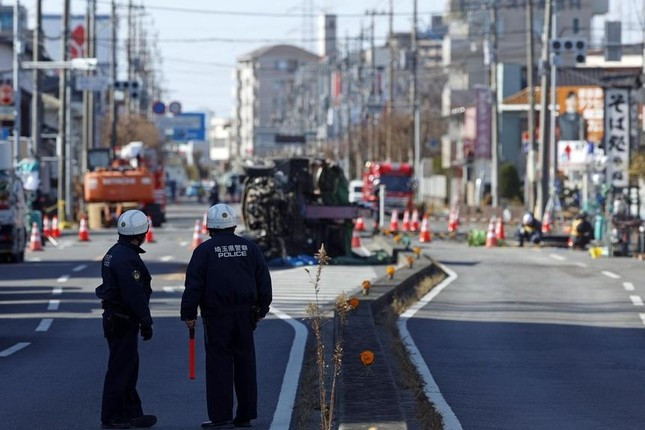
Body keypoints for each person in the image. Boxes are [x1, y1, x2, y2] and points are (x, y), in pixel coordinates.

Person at [181, 204, 272, 429]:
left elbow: (194, 285)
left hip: (216, 316)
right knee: (245, 364)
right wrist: (261, 310)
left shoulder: (204, 251)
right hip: (245, 315)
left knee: (219, 365)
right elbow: (264, 281)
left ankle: (221, 418)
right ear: (233, 224)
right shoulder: (249, 248)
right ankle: (245, 416)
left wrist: (188, 313)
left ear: (210, 227)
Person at [96, 210, 157, 429]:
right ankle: (112, 417)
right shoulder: (127, 258)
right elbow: (133, 294)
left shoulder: (115, 252)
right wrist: (145, 320)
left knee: (128, 368)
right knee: (121, 369)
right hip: (122, 319)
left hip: (116, 318)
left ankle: (131, 413)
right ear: (142, 233)